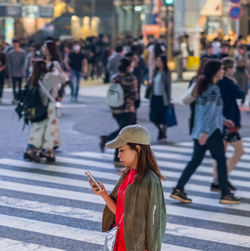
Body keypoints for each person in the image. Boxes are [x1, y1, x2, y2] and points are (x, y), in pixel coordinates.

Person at [170, 59, 241, 204]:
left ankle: (178, 189)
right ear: (215, 72)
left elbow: (210, 112)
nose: (222, 71)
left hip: (202, 129)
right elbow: (208, 113)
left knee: (196, 160)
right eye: (221, 69)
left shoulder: (206, 86)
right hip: (210, 131)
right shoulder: (213, 89)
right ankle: (225, 194)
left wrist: (223, 120)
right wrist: (205, 132)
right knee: (221, 160)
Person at [90, 124, 166, 251]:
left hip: (136, 245)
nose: (118, 155)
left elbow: (155, 219)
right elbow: (120, 213)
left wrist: (149, 247)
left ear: (137, 148)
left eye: (122, 150)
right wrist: (103, 194)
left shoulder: (150, 180)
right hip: (120, 241)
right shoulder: (127, 174)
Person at [24, 59, 68, 162]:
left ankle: (34, 149)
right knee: (50, 129)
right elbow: (64, 78)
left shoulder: (33, 78)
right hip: (49, 107)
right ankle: (48, 150)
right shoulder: (49, 77)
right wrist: (58, 68)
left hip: (38, 107)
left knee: (38, 127)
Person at [211, 57, 245, 192]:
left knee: (225, 152)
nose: (235, 70)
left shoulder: (218, 82)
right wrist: (235, 83)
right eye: (234, 68)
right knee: (235, 151)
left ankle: (218, 179)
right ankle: (220, 179)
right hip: (228, 122)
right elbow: (241, 94)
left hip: (223, 122)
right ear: (228, 69)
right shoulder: (228, 83)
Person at [100, 58, 138, 167]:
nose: (132, 67)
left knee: (123, 132)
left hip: (116, 109)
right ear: (127, 67)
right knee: (124, 133)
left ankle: (121, 154)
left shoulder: (114, 78)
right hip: (127, 109)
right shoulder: (131, 78)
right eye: (131, 65)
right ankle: (108, 141)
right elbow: (134, 96)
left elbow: (111, 94)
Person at [149, 54, 171, 141]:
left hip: (163, 97)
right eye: (157, 61)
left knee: (164, 117)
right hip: (154, 96)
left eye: (159, 61)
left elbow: (168, 86)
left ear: (163, 62)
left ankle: (163, 134)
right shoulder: (155, 71)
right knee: (153, 117)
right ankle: (161, 131)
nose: (157, 63)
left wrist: (168, 98)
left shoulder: (166, 72)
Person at [7, 39, 25, 104]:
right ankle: (15, 98)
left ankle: (19, 98)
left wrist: (23, 71)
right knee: (14, 86)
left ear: (18, 44)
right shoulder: (10, 53)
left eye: (16, 43)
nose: (15, 44)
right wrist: (10, 74)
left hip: (20, 72)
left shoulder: (22, 52)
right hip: (13, 72)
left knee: (20, 87)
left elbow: (24, 63)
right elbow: (9, 64)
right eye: (14, 43)